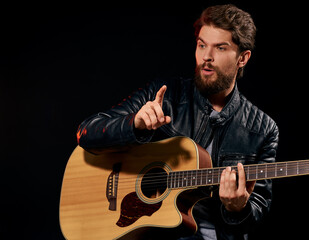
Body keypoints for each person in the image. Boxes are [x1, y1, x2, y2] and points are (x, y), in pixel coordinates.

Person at [77, 4, 279, 240]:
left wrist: (238, 208)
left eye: (220, 48)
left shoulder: (263, 129)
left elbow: (255, 214)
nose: (206, 57)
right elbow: (87, 133)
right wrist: (134, 125)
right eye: (202, 45)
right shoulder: (164, 94)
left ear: (242, 58)